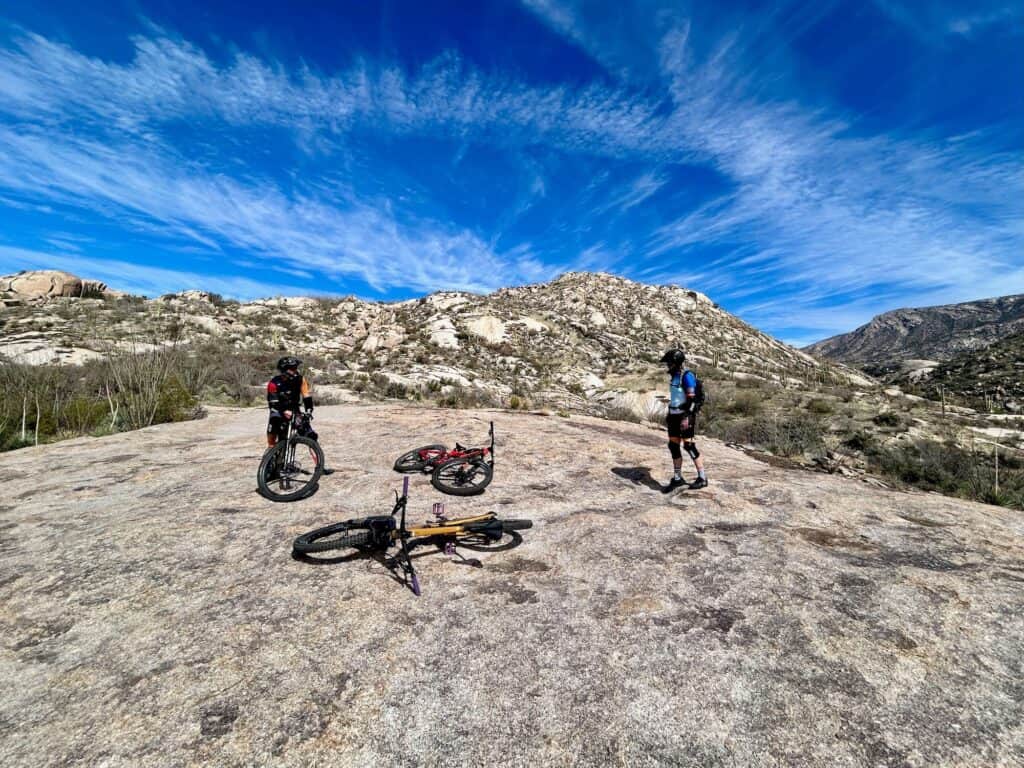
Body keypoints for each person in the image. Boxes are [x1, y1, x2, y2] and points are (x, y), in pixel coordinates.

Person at [660, 348, 708, 490]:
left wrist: (687, 416)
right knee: (673, 446)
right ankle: (677, 478)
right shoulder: (675, 376)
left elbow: (692, 400)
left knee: (689, 446)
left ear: (676, 362)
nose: (667, 365)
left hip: (684, 416)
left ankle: (702, 477)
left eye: (669, 363)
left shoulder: (686, 376)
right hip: (674, 415)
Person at [266, 355, 316, 447]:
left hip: (294, 409)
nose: (295, 370)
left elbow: (306, 395)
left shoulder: (300, 380)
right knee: (274, 422)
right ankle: (270, 449)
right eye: (292, 368)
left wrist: (309, 410)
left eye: (296, 368)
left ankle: (318, 457)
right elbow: (273, 404)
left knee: (311, 435)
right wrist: (284, 411)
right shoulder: (273, 383)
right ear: (284, 370)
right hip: (278, 409)